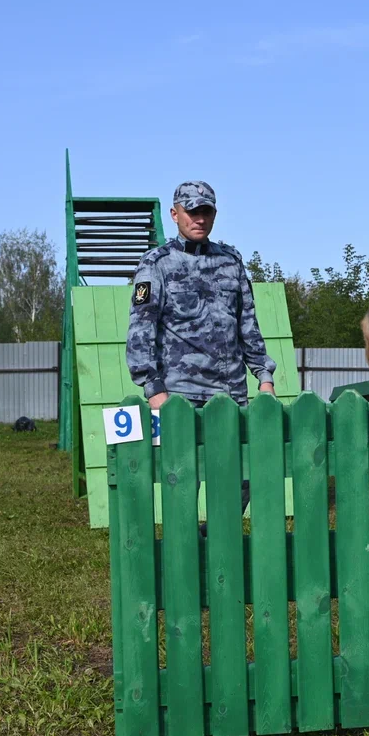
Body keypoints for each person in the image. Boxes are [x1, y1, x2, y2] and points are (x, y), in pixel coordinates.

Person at [126, 180, 277, 525]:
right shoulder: (156, 264)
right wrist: (153, 389)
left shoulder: (231, 261)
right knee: (182, 481)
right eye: (191, 211)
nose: (199, 218)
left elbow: (247, 323)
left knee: (244, 476)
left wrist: (264, 377)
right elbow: (141, 328)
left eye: (205, 211)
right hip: (180, 396)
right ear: (175, 214)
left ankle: (217, 543)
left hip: (231, 393)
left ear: (214, 214)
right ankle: (185, 554)